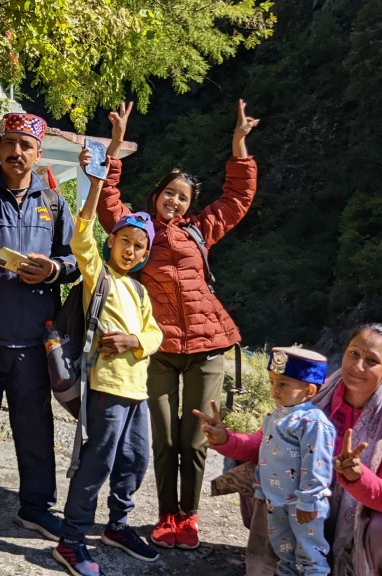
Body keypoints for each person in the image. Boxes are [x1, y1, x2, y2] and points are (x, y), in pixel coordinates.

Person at [96, 100, 259, 549]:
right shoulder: (138, 232)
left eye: (183, 197)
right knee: (165, 439)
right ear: (156, 195)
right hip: (160, 348)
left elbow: (237, 199)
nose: (175, 201)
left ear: (190, 205)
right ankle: (167, 515)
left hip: (208, 346)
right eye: (170, 193)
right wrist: (114, 147)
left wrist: (239, 147)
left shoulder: (198, 231)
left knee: (197, 437)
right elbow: (108, 203)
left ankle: (189, 517)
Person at [197, 324, 382, 575]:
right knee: (264, 474)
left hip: (370, 509)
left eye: (371, 361)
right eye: (353, 353)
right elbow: (267, 443)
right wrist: (226, 439)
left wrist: (358, 477)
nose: (357, 366)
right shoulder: (315, 394)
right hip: (313, 500)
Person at [0, 112, 81, 554]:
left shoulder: (55, 201)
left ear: (38, 152)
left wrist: (53, 269)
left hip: (34, 343)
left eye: (25, 145)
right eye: (9, 143)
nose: (16, 152)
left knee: (35, 431)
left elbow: (75, 262)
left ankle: (35, 506)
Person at [51, 151, 165, 576]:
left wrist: (136, 339)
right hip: (105, 388)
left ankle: (117, 525)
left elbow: (157, 334)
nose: (132, 250)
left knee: (135, 461)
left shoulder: (139, 292)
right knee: (95, 461)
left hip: (138, 391)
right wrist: (96, 181)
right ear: (112, 240)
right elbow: (81, 235)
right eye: (126, 241)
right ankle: (71, 538)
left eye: (140, 247)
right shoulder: (98, 275)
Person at [231, 347, 336, 575]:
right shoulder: (275, 416)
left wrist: (308, 501)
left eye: (283, 384)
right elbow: (265, 456)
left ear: (309, 390)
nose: (274, 390)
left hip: (302, 505)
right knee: (284, 552)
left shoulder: (313, 422)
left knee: (310, 556)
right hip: (275, 502)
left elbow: (317, 465)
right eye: (271, 381)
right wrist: (260, 490)